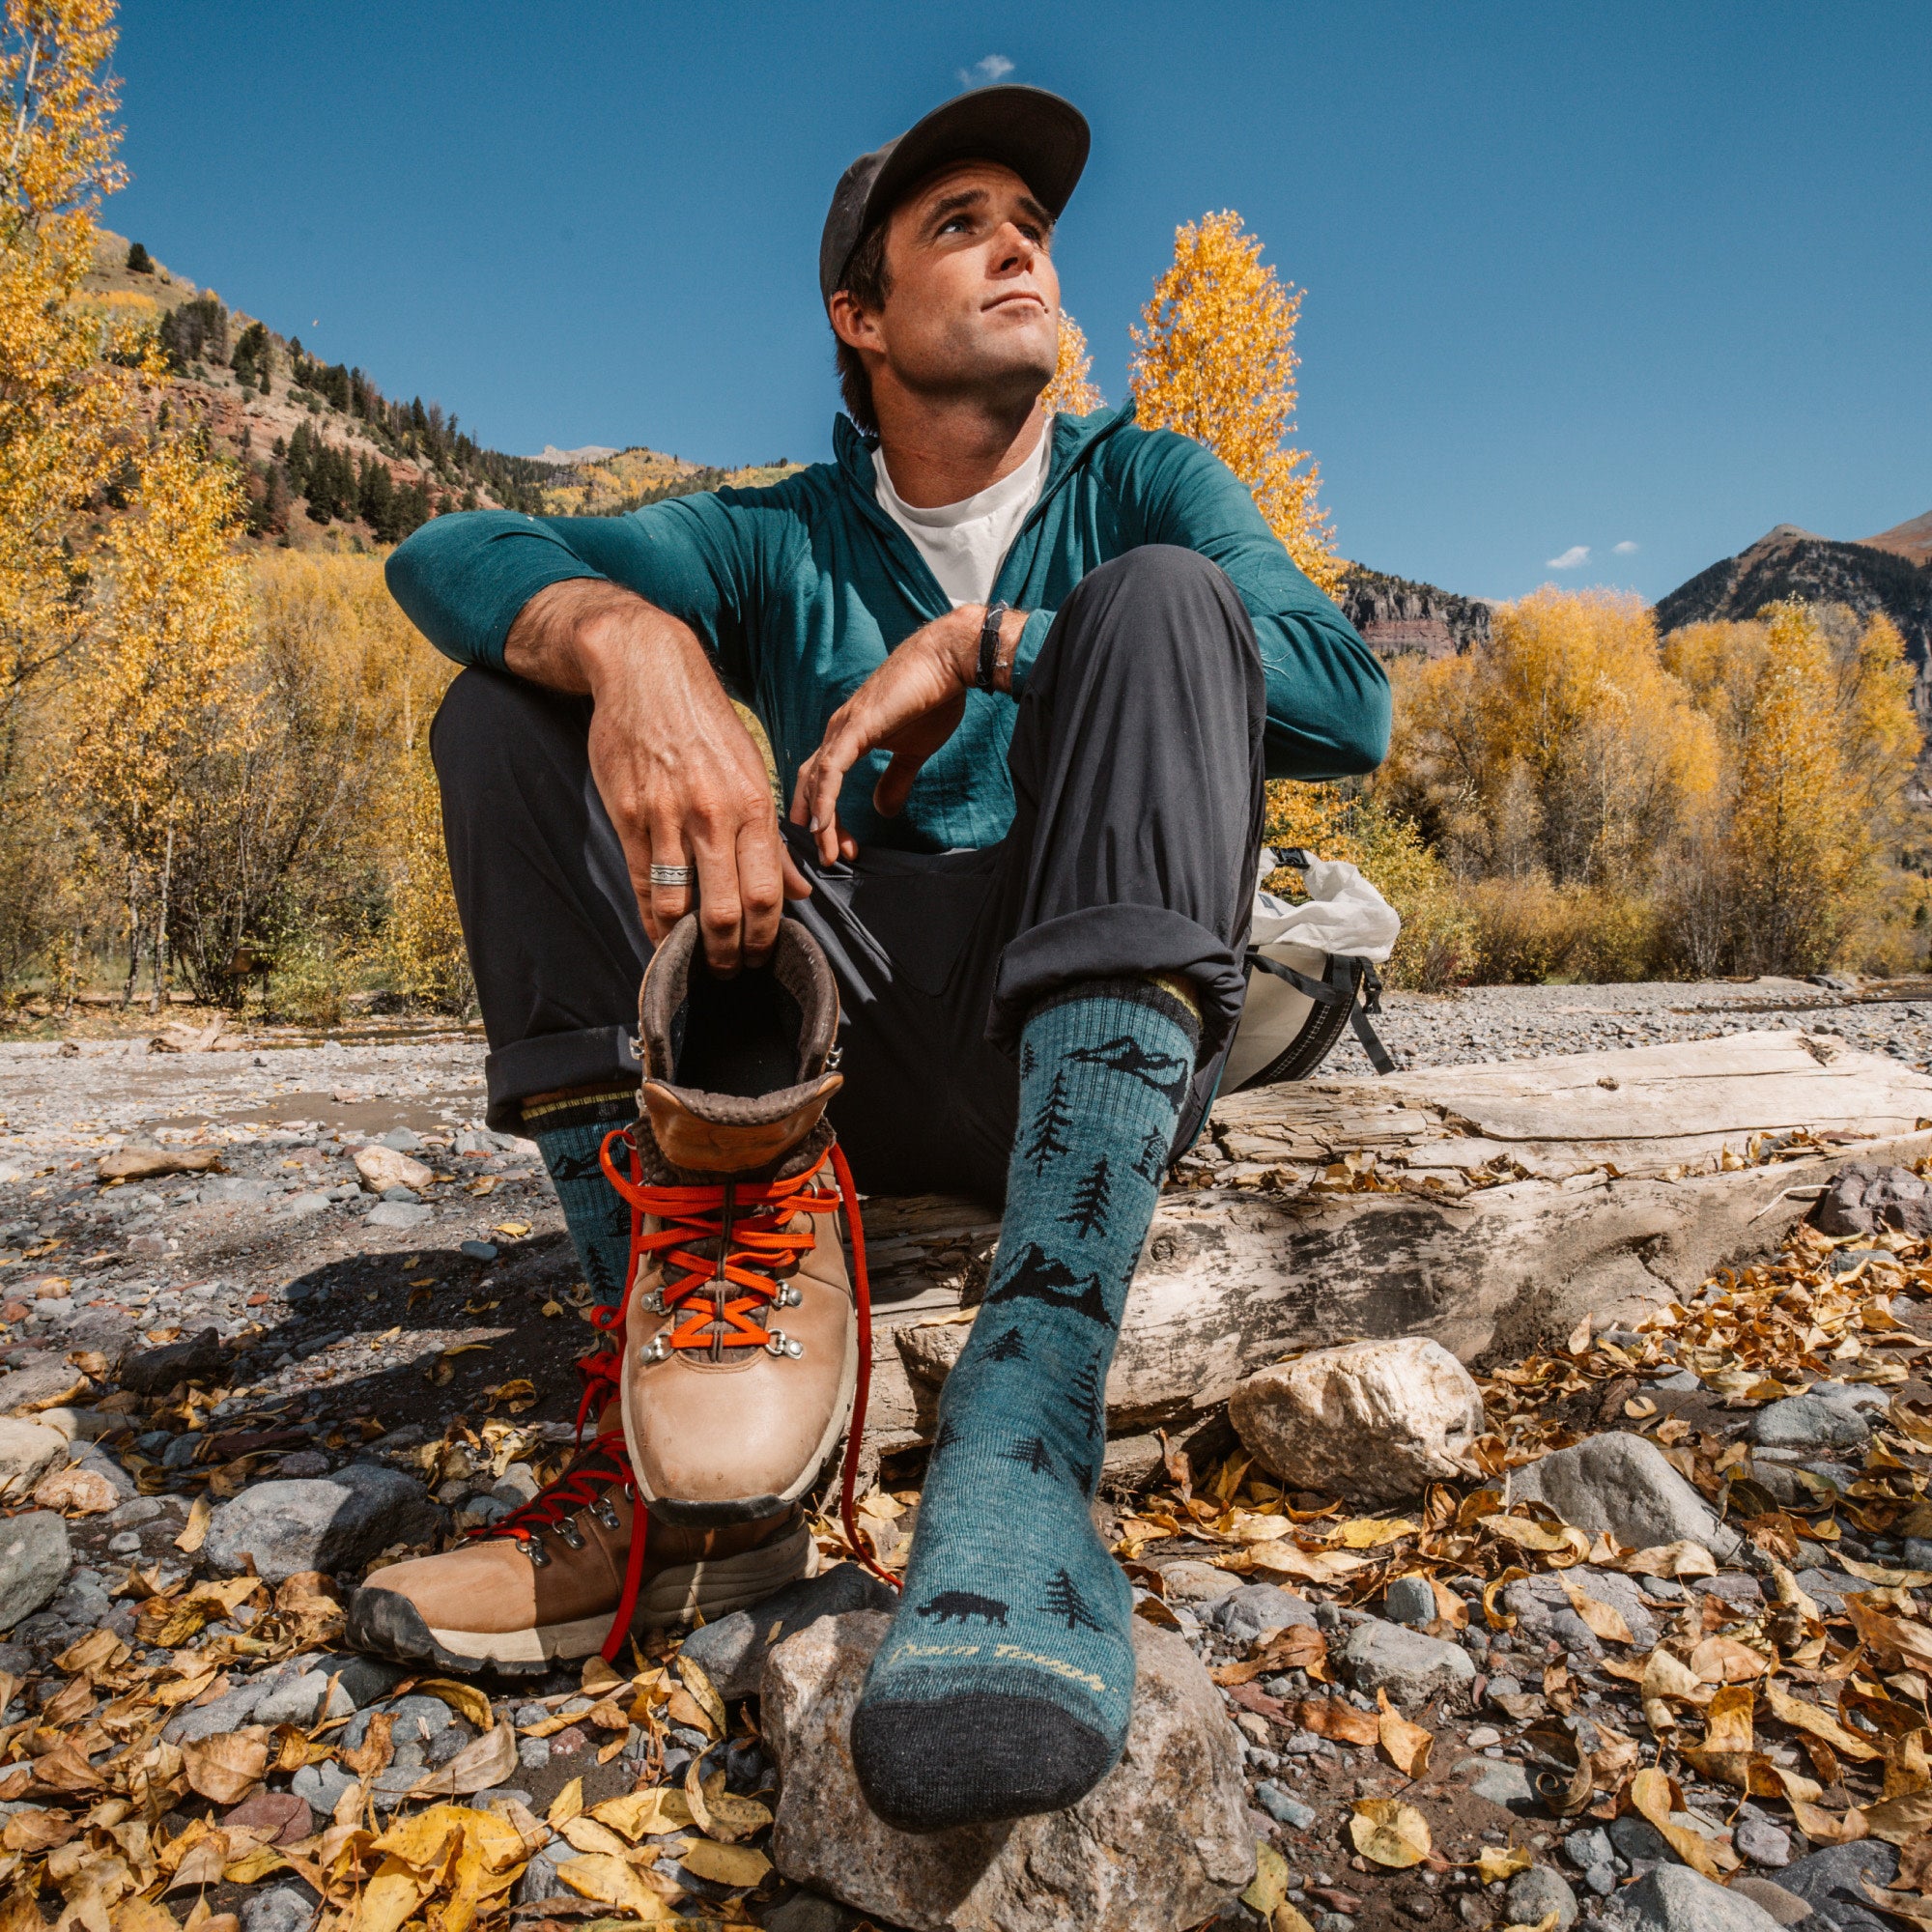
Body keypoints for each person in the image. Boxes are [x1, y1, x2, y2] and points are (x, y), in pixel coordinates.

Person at [351, 82, 1389, 1831]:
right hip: (841, 1055)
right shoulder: (773, 536)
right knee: (505, 711)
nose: (1021, 247)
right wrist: (634, 651)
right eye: (959, 224)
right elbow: (444, 551)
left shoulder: (1145, 480)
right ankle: (677, 1465)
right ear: (860, 314)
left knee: (1164, 602)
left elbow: (1345, 700)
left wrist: (990, 645)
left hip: (1092, 1017)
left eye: (1032, 223)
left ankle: (1027, 1432)